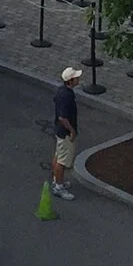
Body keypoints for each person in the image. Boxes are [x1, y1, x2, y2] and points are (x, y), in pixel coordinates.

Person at [51, 65, 83, 201]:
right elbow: (63, 117)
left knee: (58, 156)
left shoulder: (61, 91)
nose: (78, 79)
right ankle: (59, 187)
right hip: (65, 133)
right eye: (76, 78)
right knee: (62, 161)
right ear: (70, 81)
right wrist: (72, 131)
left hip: (59, 131)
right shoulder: (67, 97)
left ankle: (56, 180)